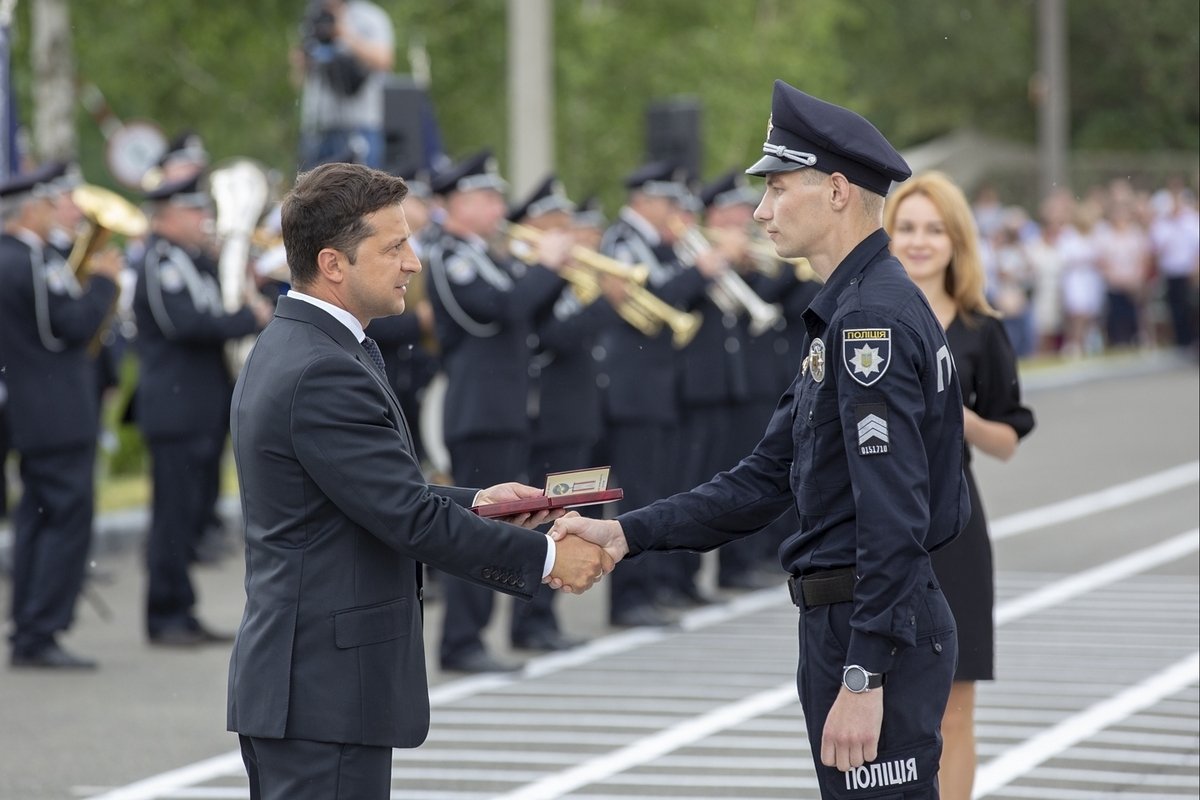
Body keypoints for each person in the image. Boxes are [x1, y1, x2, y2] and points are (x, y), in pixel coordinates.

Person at [552, 80, 969, 799]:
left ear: (838, 192)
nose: (759, 211)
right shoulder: (847, 312)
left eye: (777, 190)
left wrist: (865, 673)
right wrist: (626, 535)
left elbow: (895, 514)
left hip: (874, 628)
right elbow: (762, 479)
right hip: (850, 621)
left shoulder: (870, 324)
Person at [226, 161, 609, 799]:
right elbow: (407, 518)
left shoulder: (311, 344)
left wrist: (477, 501)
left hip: (318, 687)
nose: (413, 262)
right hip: (322, 691)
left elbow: (364, 495)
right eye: (394, 246)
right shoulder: (323, 367)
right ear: (333, 263)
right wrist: (547, 556)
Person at [885, 171, 1036, 800]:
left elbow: (1008, 436)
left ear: (956, 241)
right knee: (882, 707)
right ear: (886, 235)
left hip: (954, 530)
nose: (919, 242)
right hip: (877, 525)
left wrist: (958, 414)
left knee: (952, 709)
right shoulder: (861, 316)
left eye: (934, 230)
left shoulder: (980, 327)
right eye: (907, 228)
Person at [423, 151, 573, 672]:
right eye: (485, 197)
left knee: (501, 529)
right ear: (454, 204)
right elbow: (494, 313)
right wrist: (546, 267)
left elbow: (530, 316)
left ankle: (478, 636)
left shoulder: (493, 255)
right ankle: (461, 641)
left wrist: (556, 274)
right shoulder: (451, 256)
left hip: (507, 409)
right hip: (478, 410)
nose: (497, 206)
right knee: (478, 532)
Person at [130, 172, 273, 646]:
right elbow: (184, 323)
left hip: (200, 404)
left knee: (191, 513)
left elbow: (215, 300)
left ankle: (182, 609)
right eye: (194, 212)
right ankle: (165, 613)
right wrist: (244, 318)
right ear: (166, 217)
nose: (203, 220)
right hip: (174, 406)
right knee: (172, 516)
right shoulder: (160, 261)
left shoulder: (193, 260)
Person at [0, 162, 122, 669]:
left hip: (37, 410)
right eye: (50, 203)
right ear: (29, 208)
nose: (58, 212)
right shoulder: (25, 259)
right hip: (55, 410)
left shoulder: (27, 256)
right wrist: (103, 286)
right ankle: (40, 628)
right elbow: (63, 328)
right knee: (64, 521)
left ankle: (29, 623)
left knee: (38, 517)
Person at [293, 0, 394, 169]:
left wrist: (343, 34)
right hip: (317, 128)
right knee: (312, 191)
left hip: (360, 125)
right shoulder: (312, 17)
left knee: (362, 190)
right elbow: (298, 79)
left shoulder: (370, 16)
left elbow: (384, 60)